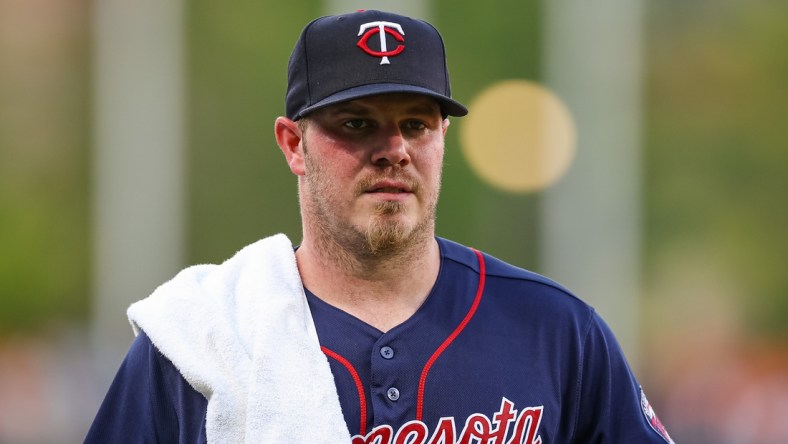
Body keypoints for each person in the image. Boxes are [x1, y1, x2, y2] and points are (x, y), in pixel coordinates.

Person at [86, 9, 674, 444]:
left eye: (416, 125)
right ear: (294, 144)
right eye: (358, 123)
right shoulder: (204, 339)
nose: (393, 149)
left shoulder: (556, 331)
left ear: (443, 137)